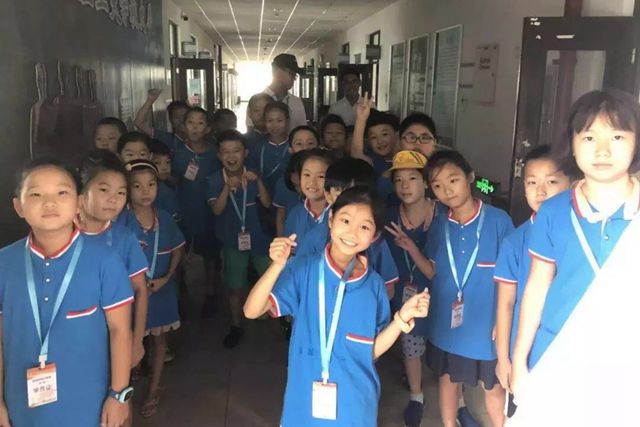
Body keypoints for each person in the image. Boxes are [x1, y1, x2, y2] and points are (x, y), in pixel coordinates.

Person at [243, 186, 430, 427]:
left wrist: (400, 320)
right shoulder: (304, 269)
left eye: (364, 227)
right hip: (304, 403)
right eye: (345, 220)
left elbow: (371, 351)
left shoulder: (373, 285)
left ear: (374, 236)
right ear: (330, 220)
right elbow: (252, 310)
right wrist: (277, 265)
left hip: (356, 405)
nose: (352, 232)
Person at [510, 90, 640, 398]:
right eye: (589, 138)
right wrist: (519, 360)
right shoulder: (553, 212)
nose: (603, 151)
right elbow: (537, 287)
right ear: (572, 143)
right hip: (556, 353)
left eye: (617, 137)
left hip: (626, 362)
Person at [0, 158, 134, 426]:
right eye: (36, 194)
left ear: (78, 203)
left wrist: (119, 395)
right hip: (21, 403)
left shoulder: (105, 260)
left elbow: (120, 331)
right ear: (18, 206)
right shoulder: (5, 262)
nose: (49, 202)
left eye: (62, 192)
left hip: (89, 401)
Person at [419, 150, 514, 427]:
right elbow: (433, 268)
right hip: (447, 323)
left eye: (453, 180)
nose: (447, 191)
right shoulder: (438, 224)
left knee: (492, 386)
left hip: (486, 324)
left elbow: (513, 275)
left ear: (470, 177)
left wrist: (504, 320)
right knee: (447, 378)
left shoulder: (498, 220)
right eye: (438, 186)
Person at [492, 145, 570, 416]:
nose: (541, 191)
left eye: (552, 182)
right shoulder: (515, 242)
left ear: (572, 183)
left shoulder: (582, 234)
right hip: (525, 352)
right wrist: (504, 359)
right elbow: (506, 304)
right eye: (532, 182)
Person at [76, 150, 150, 367]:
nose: (113, 199)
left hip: (114, 337)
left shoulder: (124, 237)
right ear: (81, 191)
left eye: (121, 192)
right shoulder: (62, 234)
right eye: (104, 190)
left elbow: (141, 290)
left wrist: (137, 341)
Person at [123, 160, 185, 418]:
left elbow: (178, 249)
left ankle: (154, 388)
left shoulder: (164, 218)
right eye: (137, 186)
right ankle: (123, 387)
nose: (145, 191)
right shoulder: (121, 221)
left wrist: (166, 278)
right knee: (128, 338)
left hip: (160, 290)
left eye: (151, 184)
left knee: (159, 340)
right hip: (129, 294)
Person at [382, 150, 436, 427]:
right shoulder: (389, 217)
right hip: (406, 294)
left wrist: (412, 247)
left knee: (445, 349)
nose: (405, 185)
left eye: (412, 178)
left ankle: (459, 400)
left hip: (441, 293)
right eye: (399, 180)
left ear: (426, 181)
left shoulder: (442, 214)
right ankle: (416, 396)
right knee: (411, 344)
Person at [295, 157, 400, 298]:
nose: (352, 205)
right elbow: (298, 284)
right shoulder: (314, 238)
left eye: (358, 197)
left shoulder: (375, 241)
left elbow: (389, 288)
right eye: (342, 195)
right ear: (328, 195)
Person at [208, 129, 272, 348]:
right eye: (226, 152)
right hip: (232, 242)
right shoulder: (214, 179)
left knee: (270, 279)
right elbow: (217, 210)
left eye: (236, 150)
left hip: (260, 239)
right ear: (219, 155)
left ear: (245, 153)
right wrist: (227, 188)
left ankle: (282, 321)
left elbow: (267, 203)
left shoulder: (255, 175)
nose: (231, 156)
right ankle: (236, 325)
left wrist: (259, 181)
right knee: (235, 286)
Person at [168, 107, 222, 318]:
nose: (195, 127)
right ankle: (178, 291)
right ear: (183, 126)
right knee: (178, 253)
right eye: (190, 122)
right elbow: (172, 177)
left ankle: (211, 293)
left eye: (200, 123)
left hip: (208, 212)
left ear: (208, 128)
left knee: (210, 256)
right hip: (183, 211)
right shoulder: (176, 152)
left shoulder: (215, 153)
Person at [273, 127, 320, 236]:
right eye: (299, 144)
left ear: (318, 146)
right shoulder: (283, 182)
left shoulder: (327, 180)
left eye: (310, 143)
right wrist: (281, 238)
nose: (305, 148)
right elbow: (281, 215)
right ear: (290, 149)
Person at [283, 149, 334, 241]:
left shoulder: (340, 213)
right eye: (307, 175)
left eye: (321, 176)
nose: (312, 182)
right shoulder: (295, 213)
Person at [247, 102, 292, 196]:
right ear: (264, 122)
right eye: (270, 121)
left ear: (287, 121)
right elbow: (251, 173)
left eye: (279, 120)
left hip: (289, 197)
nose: (274, 125)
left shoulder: (294, 145)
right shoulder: (257, 147)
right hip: (263, 197)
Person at [351, 93, 399, 176]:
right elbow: (356, 154)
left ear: (396, 134)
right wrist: (361, 119)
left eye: (384, 134)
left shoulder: (407, 158)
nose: (379, 141)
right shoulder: (374, 161)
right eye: (373, 137)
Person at [263, 53, 307, 130]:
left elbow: (302, 131)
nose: (294, 78)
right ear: (277, 72)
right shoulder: (258, 102)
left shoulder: (296, 102)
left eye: (295, 75)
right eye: (291, 74)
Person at [274, 151, 305, 237]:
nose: (300, 191)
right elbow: (281, 214)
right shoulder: (282, 184)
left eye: (301, 185)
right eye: (295, 186)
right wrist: (280, 237)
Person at [149, 139, 180, 222]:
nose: (164, 167)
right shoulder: (160, 190)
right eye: (157, 163)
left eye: (167, 162)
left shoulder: (170, 185)